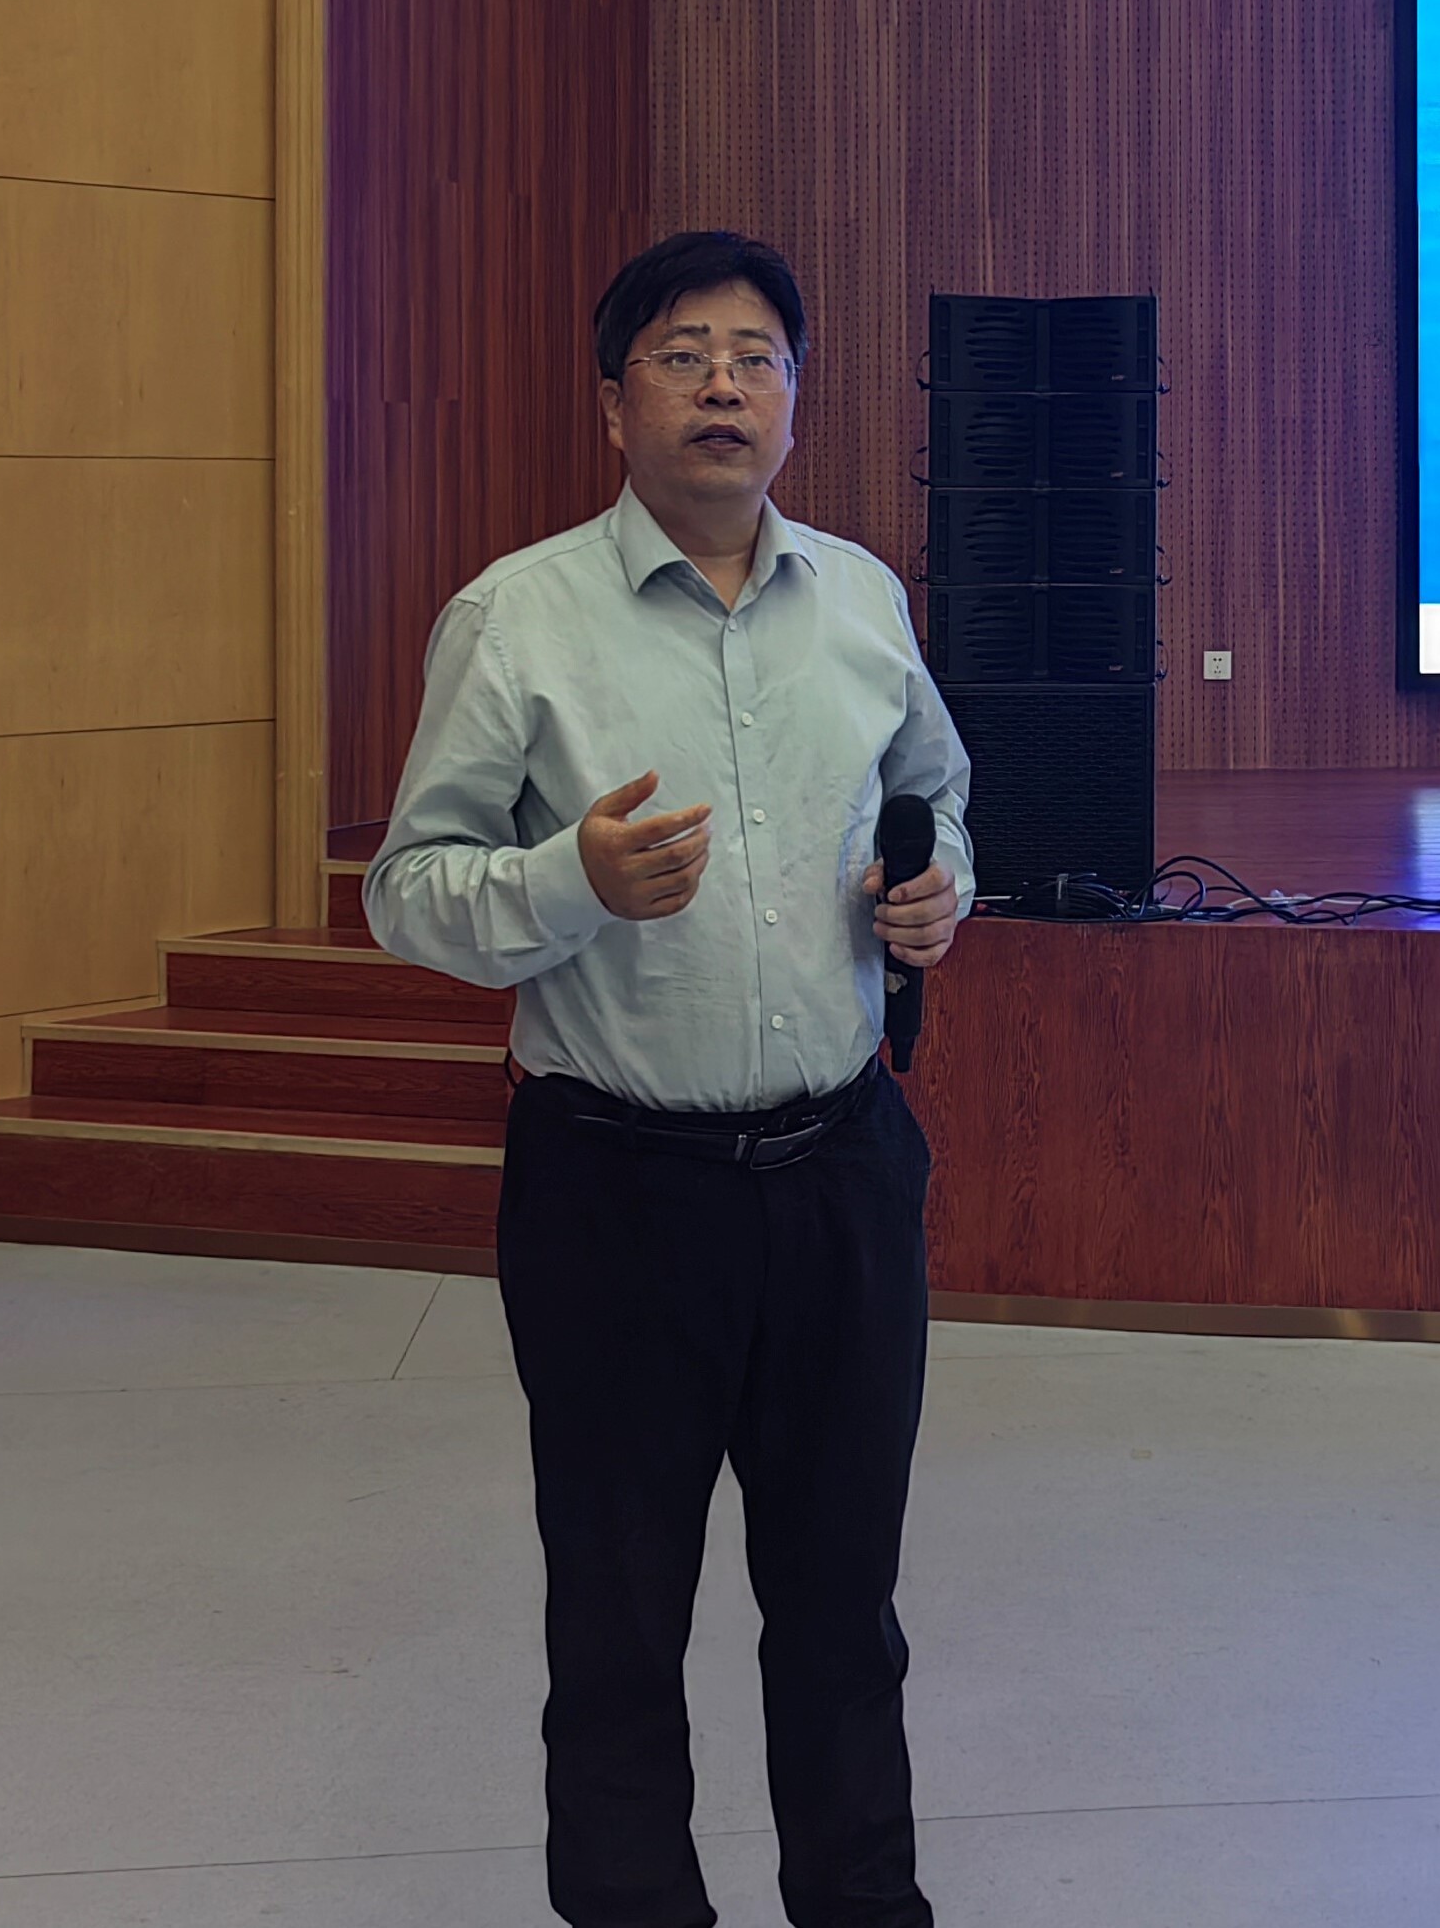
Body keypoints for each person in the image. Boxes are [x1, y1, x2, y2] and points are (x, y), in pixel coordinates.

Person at [366, 229, 972, 1928]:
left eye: (757, 356)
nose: (724, 384)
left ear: (794, 399)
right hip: (617, 1190)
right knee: (621, 1617)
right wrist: (569, 879)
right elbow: (409, 890)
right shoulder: (517, 617)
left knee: (844, 1607)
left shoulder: (861, 599)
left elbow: (936, 792)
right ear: (613, 404)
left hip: (843, 1172)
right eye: (683, 353)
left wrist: (937, 888)